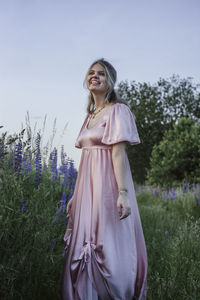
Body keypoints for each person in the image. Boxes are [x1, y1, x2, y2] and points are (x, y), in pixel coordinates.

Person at [61, 58, 147, 300]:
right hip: (86, 187)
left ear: (109, 81)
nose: (94, 76)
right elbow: (84, 159)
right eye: (91, 73)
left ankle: (115, 293)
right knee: (83, 240)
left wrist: (123, 193)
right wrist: (75, 196)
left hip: (107, 184)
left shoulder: (118, 110)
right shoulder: (89, 116)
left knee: (106, 242)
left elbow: (118, 153)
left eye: (101, 73)